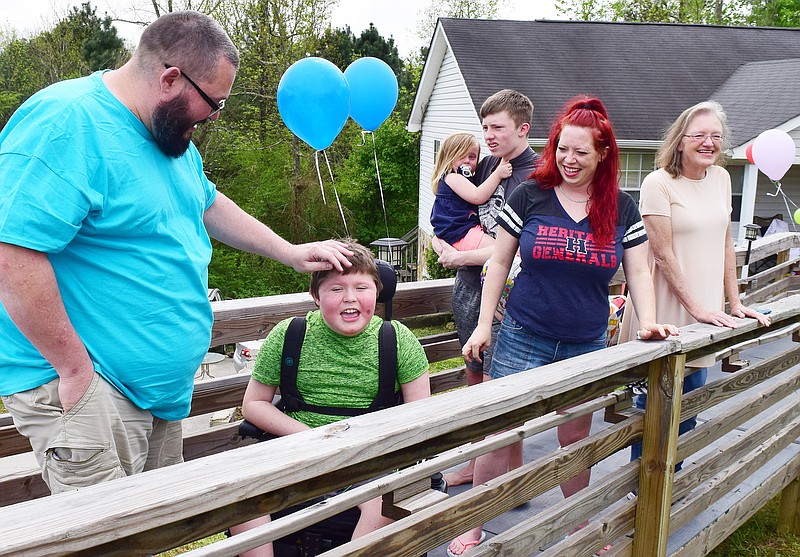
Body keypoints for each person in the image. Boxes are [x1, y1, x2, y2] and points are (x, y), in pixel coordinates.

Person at [0, 10, 352, 495]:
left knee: (153, 532)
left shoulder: (168, 137)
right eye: (215, 102)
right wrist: (75, 371)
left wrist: (289, 252)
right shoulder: (66, 124)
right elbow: (12, 255)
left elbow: (205, 201)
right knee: (110, 542)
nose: (213, 115)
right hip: (92, 391)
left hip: (156, 397)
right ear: (170, 79)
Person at [447, 96, 678, 556]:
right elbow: (498, 262)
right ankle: (474, 521)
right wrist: (482, 328)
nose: (569, 160)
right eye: (562, 149)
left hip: (585, 342)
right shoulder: (530, 194)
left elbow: (638, 275)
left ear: (602, 155)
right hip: (521, 336)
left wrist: (649, 323)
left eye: (581, 152)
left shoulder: (622, 208)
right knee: (500, 432)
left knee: (574, 437)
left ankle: (577, 524)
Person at [230, 240, 430, 556]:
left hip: (369, 459)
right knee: (242, 497)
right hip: (297, 450)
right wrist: (313, 437)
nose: (350, 298)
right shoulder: (289, 334)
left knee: (384, 505)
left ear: (377, 292)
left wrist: (366, 449)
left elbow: (420, 418)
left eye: (361, 287)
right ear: (316, 295)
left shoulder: (397, 341)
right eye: (336, 289)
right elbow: (253, 404)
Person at [621, 101, 771, 465]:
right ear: (680, 140)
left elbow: (725, 242)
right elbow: (662, 254)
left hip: (705, 307)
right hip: (668, 305)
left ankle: (675, 477)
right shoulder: (658, 182)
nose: (708, 143)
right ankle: (641, 490)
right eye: (699, 135)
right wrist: (698, 309)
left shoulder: (720, 179)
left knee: (690, 400)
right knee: (656, 400)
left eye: (716, 136)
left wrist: (733, 303)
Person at [433, 89, 539, 487]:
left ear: (522, 128)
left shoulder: (534, 176)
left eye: (498, 127)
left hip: (505, 299)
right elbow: (449, 207)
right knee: (474, 378)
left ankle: (508, 475)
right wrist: (439, 243)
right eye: (485, 127)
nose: (489, 135)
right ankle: (478, 466)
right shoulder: (487, 164)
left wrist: (458, 258)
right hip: (468, 292)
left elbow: (513, 252)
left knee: (503, 390)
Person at [430, 132, 513, 251]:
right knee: (504, 252)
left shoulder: (466, 179)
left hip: (464, 231)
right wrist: (498, 174)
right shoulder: (452, 177)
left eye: (472, 157)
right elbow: (477, 196)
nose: (467, 161)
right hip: (460, 233)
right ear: (448, 158)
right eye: (461, 156)